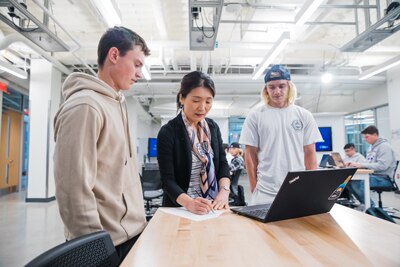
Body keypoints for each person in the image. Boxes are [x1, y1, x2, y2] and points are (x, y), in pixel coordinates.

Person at [53, 26, 150, 262]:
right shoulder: (85, 106)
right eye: (136, 64)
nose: (139, 72)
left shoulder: (118, 103)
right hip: (105, 244)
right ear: (114, 55)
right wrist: (95, 251)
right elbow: (73, 189)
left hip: (131, 234)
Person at [239, 64, 323, 205]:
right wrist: (254, 186)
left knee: (298, 227)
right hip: (265, 191)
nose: (277, 91)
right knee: (264, 228)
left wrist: (311, 185)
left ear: (289, 87)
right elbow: (250, 154)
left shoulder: (304, 115)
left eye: (281, 86)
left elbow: (309, 153)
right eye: (272, 87)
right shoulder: (255, 116)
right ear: (266, 89)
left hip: (297, 189)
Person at [157, 71, 231, 215]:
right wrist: (189, 203)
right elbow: (167, 181)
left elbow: (222, 164)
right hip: (181, 208)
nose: (202, 107)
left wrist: (224, 192)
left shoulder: (212, 127)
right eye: (196, 100)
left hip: (213, 206)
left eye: (208, 101)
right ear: (182, 98)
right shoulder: (168, 132)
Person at [347, 125, 397, 207]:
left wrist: (361, 165)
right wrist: (356, 165)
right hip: (374, 175)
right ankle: (365, 204)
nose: (365, 140)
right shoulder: (370, 148)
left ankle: (371, 207)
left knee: (357, 182)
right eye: (364, 137)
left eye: (367, 137)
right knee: (348, 180)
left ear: (375, 135)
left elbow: (382, 166)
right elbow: (369, 164)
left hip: (384, 178)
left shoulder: (384, 147)